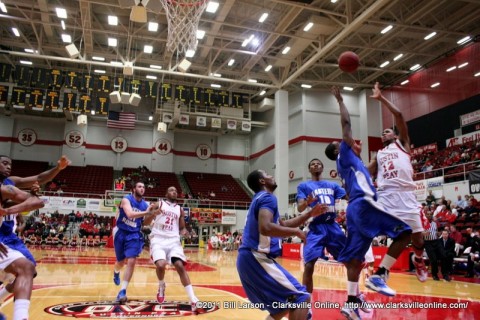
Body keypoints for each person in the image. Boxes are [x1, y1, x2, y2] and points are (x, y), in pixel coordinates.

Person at [324, 86, 412, 319]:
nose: (346, 141)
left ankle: (351, 303)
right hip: (363, 204)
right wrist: (341, 101)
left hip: (354, 209)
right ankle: (380, 274)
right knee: (405, 233)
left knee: (355, 260)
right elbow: (346, 126)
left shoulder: (349, 162)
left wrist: (360, 155)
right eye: (341, 142)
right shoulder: (343, 151)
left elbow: (365, 173)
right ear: (337, 148)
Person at [236, 169, 328, 320]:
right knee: (301, 297)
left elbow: (283, 224)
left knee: (284, 305)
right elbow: (265, 228)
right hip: (255, 257)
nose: (271, 175)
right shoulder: (268, 198)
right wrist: (296, 232)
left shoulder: (259, 199)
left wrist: (309, 214)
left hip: (248, 259)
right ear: (262, 181)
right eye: (267, 174)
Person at [367, 82, 428, 286]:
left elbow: (400, 116)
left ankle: (419, 259)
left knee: (417, 240)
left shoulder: (403, 144)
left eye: (387, 131)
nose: (384, 133)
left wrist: (381, 98)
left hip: (407, 195)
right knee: (392, 233)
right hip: (386, 196)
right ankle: (380, 270)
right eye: (382, 133)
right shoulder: (379, 154)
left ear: (394, 135)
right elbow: (367, 171)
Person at [143, 186, 200, 313]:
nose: (174, 192)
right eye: (171, 190)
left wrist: (186, 232)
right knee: (161, 265)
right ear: (166, 193)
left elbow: (181, 228)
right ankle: (161, 285)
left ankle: (193, 299)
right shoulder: (159, 204)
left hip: (173, 240)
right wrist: (153, 214)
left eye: (175, 190)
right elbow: (145, 222)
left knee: (179, 265)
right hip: (158, 239)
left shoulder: (180, 210)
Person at [296, 158, 347, 293]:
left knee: (350, 260)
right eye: (312, 164)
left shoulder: (333, 185)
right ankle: (306, 304)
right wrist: (307, 201)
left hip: (332, 226)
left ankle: (355, 296)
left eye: (318, 163)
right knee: (308, 265)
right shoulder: (304, 186)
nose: (316, 165)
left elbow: (348, 196)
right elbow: (300, 209)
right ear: (309, 169)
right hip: (315, 227)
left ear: (322, 168)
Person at [0, 178, 46, 320]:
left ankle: (20, 315)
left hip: (9, 238)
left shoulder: (6, 190)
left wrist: (9, 211)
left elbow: (38, 201)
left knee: (27, 269)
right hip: (4, 238)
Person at [112, 181, 159, 303]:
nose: (142, 188)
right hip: (121, 232)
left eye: (144, 187)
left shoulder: (145, 204)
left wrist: (153, 215)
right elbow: (129, 214)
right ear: (134, 189)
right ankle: (116, 272)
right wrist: (147, 212)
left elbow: (145, 223)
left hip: (134, 234)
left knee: (132, 260)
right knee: (120, 262)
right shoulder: (126, 199)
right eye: (139, 186)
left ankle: (122, 291)